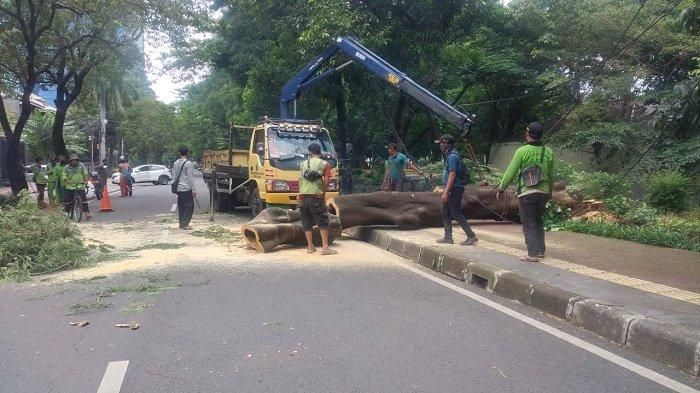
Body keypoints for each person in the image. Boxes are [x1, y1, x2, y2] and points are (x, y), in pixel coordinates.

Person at [497, 121, 554, 262]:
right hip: (544, 192)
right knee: (538, 220)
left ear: (527, 133)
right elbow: (551, 174)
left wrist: (501, 189)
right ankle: (540, 251)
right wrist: (550, 191)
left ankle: (532, 254)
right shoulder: (548, 151)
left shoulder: (522, 151)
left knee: (529, 222)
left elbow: (511, 172)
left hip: (527, 192)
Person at [435, 134, 478, 245]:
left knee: (455, 213)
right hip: (450, 188)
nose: (440, 146)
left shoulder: (453, 157)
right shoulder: (449, 156)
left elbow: (452, 175)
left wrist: (445, 191)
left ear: (446, 144)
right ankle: (448, 237)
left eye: (441, 143)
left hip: (454, 189)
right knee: (445, 212)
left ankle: (471, 236)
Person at [299, 142, 336, 255]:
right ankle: (325, 248)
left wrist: (299, 194)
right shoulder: (325, 164)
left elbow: (300, 180)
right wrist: (324, 192)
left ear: (309, 152)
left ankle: (310, 247)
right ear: (320, 152)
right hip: (316, 196)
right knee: (323, 221)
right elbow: (326, 181)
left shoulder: (302, 164)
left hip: (303, 196)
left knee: (306, 221)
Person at [173, 146, 196, 230]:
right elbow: (190, 178)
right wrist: (193, 189)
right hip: (186, 188)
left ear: (179, 153)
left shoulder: (175, 163)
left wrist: (174, 187)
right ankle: (185, 224)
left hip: (179, 187)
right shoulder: (188, 163)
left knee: (181, 206)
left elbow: (174, 176)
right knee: (189, 206)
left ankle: (181, 223)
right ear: (187, 153)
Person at [62, 154, 91, 220]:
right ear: (70, 161)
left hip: (80, 185)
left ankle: (87, 213)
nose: (74, 161)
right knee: (67, 200)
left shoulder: (81, 165)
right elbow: (64, 175)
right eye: (73, 160)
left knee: (84, 199)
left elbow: (85, 174)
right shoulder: (66, 167)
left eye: (76, 160)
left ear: (78, 161)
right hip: (70, 186)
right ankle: (67, 213)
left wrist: (86, 181)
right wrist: (67, 180)